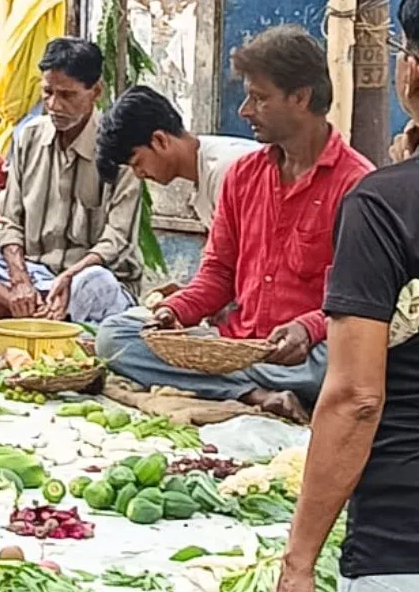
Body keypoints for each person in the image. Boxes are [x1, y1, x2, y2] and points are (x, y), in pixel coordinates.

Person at [96, 24, 373, 423]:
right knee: (115, 337)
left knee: (342, 362)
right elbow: (217, 275)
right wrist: (174, 312)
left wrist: (308, 328)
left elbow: (359, 303)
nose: (244, 111)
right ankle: (256, 393)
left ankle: (245, 385)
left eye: (258, 99)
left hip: (302, 357)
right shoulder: (243, 175)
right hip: (236, 347)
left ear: (300, 98)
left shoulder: (357, 185)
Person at [266, 0, 419, 592]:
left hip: (401, 555)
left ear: (409, 71)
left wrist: (299, 566)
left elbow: (357, 398)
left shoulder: (383, 203)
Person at [0, 37, 142, 322]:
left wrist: (67, 278)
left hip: (87, 280)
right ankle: (25, 305)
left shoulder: (121, 151)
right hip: (35, 276)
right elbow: (11, 220)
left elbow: (116, 241)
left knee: (96, 281)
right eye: (48, 92)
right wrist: (19, 280)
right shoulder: (28, 137)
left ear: (95, 92)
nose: (54, 105)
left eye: (67, 95)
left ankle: (25, 312)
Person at [97, 85, 259, 229]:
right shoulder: (204, 174)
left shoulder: (226, 170)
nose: (139, 174)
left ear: (160, 140)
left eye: (138, 163)